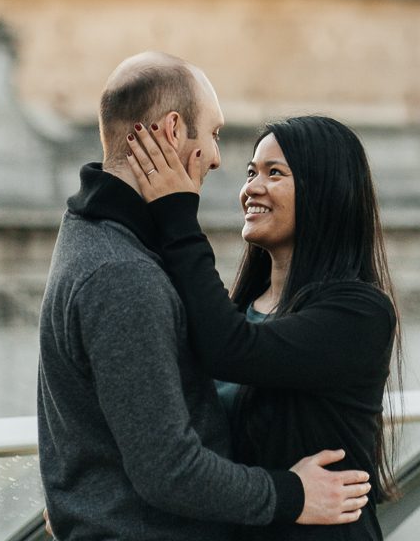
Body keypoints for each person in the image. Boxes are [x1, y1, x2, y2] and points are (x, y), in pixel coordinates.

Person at [38, 52, 371, 540]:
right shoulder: (122, 273)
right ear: (173, 131)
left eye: (272, 173)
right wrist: (291, 494)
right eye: (214, 134)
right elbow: (169, 468)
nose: (219, 159)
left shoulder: (91, 240)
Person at [126, 111, 400, 540]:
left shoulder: (359, 313)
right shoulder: (242, 312)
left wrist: (177, 215)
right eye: (251, 172)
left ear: (323, 192)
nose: (251, 188)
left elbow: (231, 350)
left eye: (275, 173)